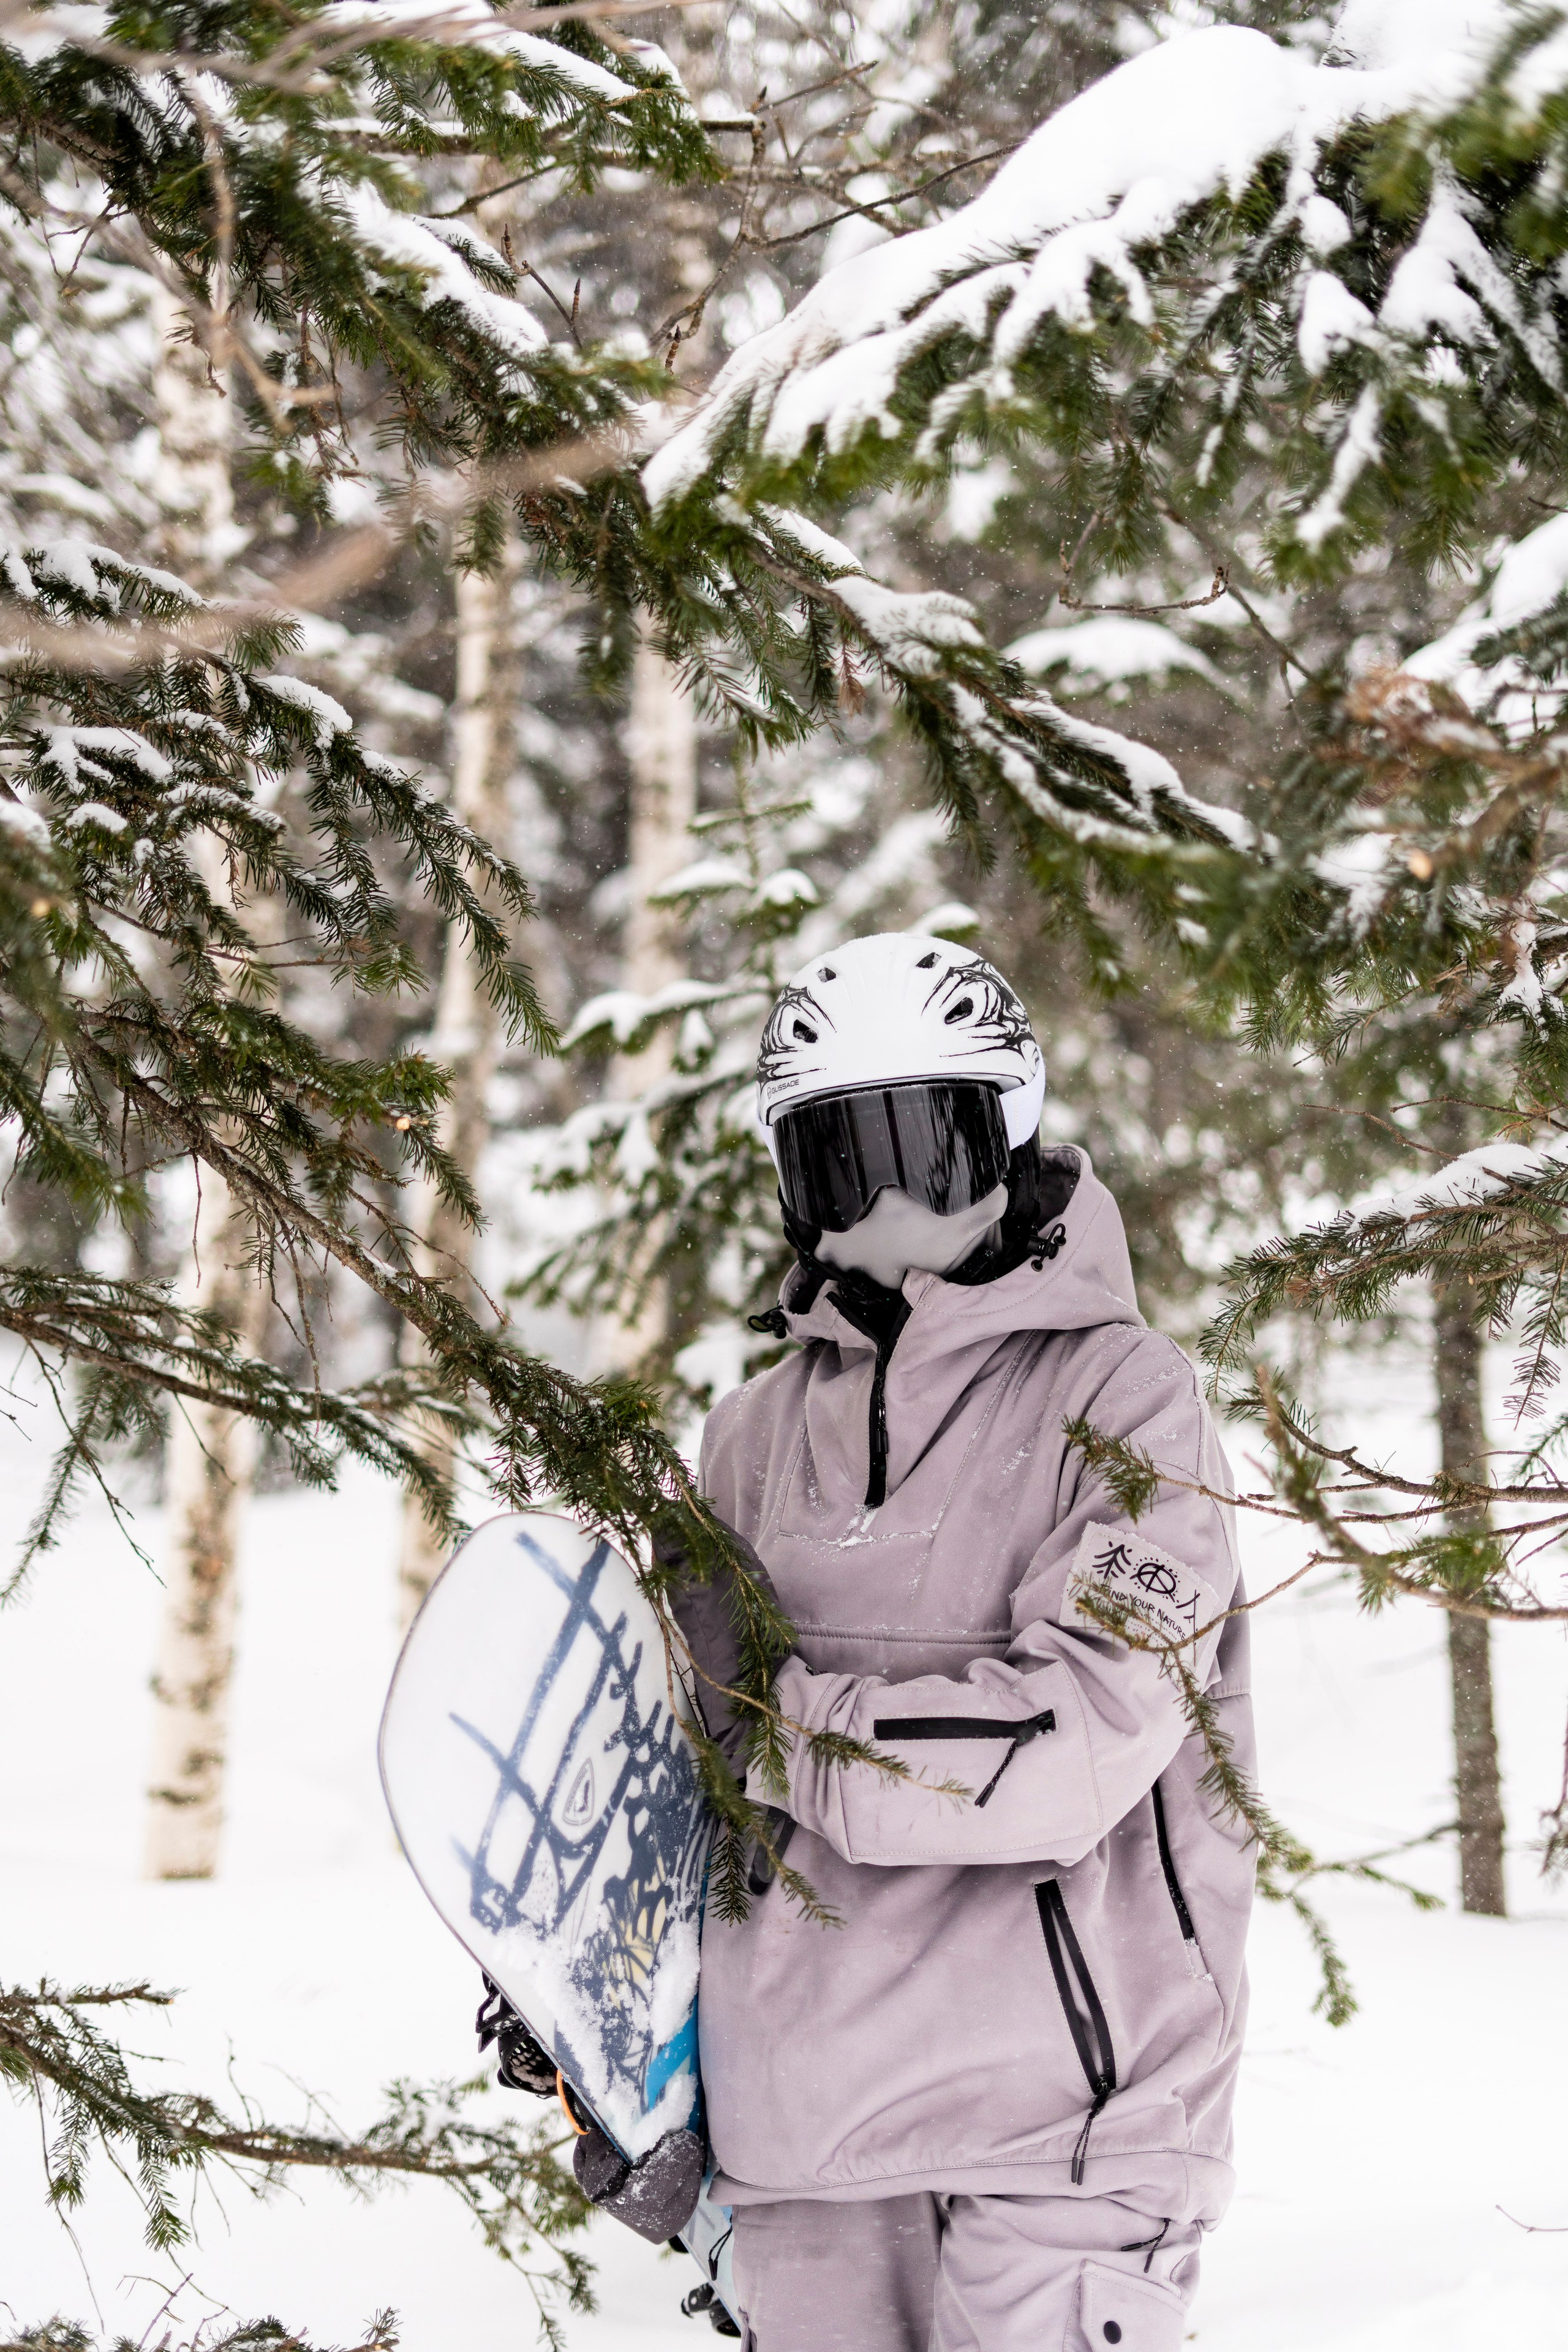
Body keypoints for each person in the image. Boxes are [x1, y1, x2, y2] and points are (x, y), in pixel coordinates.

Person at [680, 930, 1254, 2352]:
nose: (883, 1204)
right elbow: (682, 1753)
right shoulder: (747, 1436)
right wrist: (583, 1998)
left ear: (1004, 1135)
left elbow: (1074, 1742)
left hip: (1063, 2121)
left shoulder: (1127, 1399)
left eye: (921, 1152)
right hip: (801, 2130)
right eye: (840, 1161)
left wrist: (794, 1738)